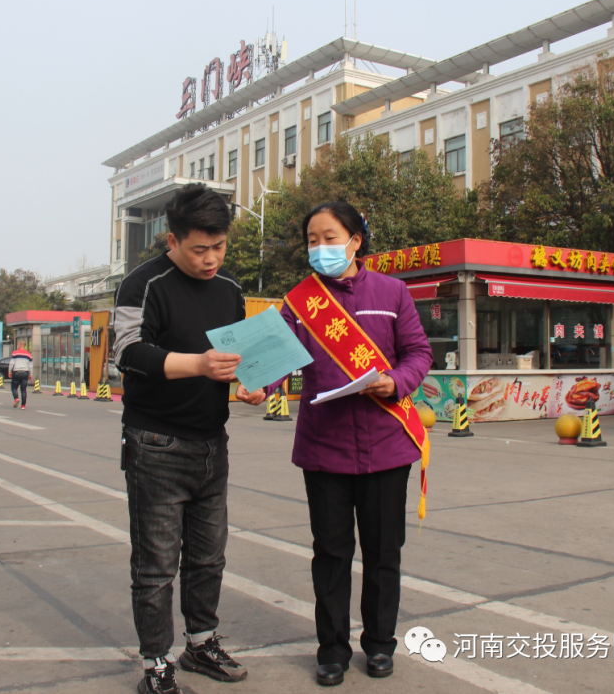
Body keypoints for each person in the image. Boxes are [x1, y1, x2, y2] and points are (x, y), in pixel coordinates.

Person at [257, 201, 432, 686]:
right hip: (325, 449)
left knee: (383, 553)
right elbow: (276, 358)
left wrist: (395, 382)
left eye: (329, 238)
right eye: (312, 240)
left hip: (387, 446)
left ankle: (379, 644)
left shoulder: (393, 292)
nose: (320, 248)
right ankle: (331, 650)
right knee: (331, 554)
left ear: (355, 241)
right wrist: (259, 386)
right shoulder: (299, 302)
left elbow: (418, 352)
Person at [112, 183, 262, 694]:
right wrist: (198, 364)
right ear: (172, 240)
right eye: (200, 249)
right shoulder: (143, 284)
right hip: (156, 443)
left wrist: (250, 385)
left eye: (219, 247)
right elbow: (128, 352)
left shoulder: (231, 290)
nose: (211, 259)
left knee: (208, 557)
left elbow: (237, 357)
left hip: (212, 443)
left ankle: (201, 642)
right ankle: (157, 664)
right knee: (156, 565)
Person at [7, 342, 32, 409]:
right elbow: (30, 366)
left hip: (16, 372)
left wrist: (9, 371)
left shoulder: (15, 353)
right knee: (23, 389)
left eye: (18, 345)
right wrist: (30, 374)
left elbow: (11, 363)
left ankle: (16, 398)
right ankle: (23, 405)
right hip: (25, 372)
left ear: (20, 345)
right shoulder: (29, 354)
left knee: (14, 387)